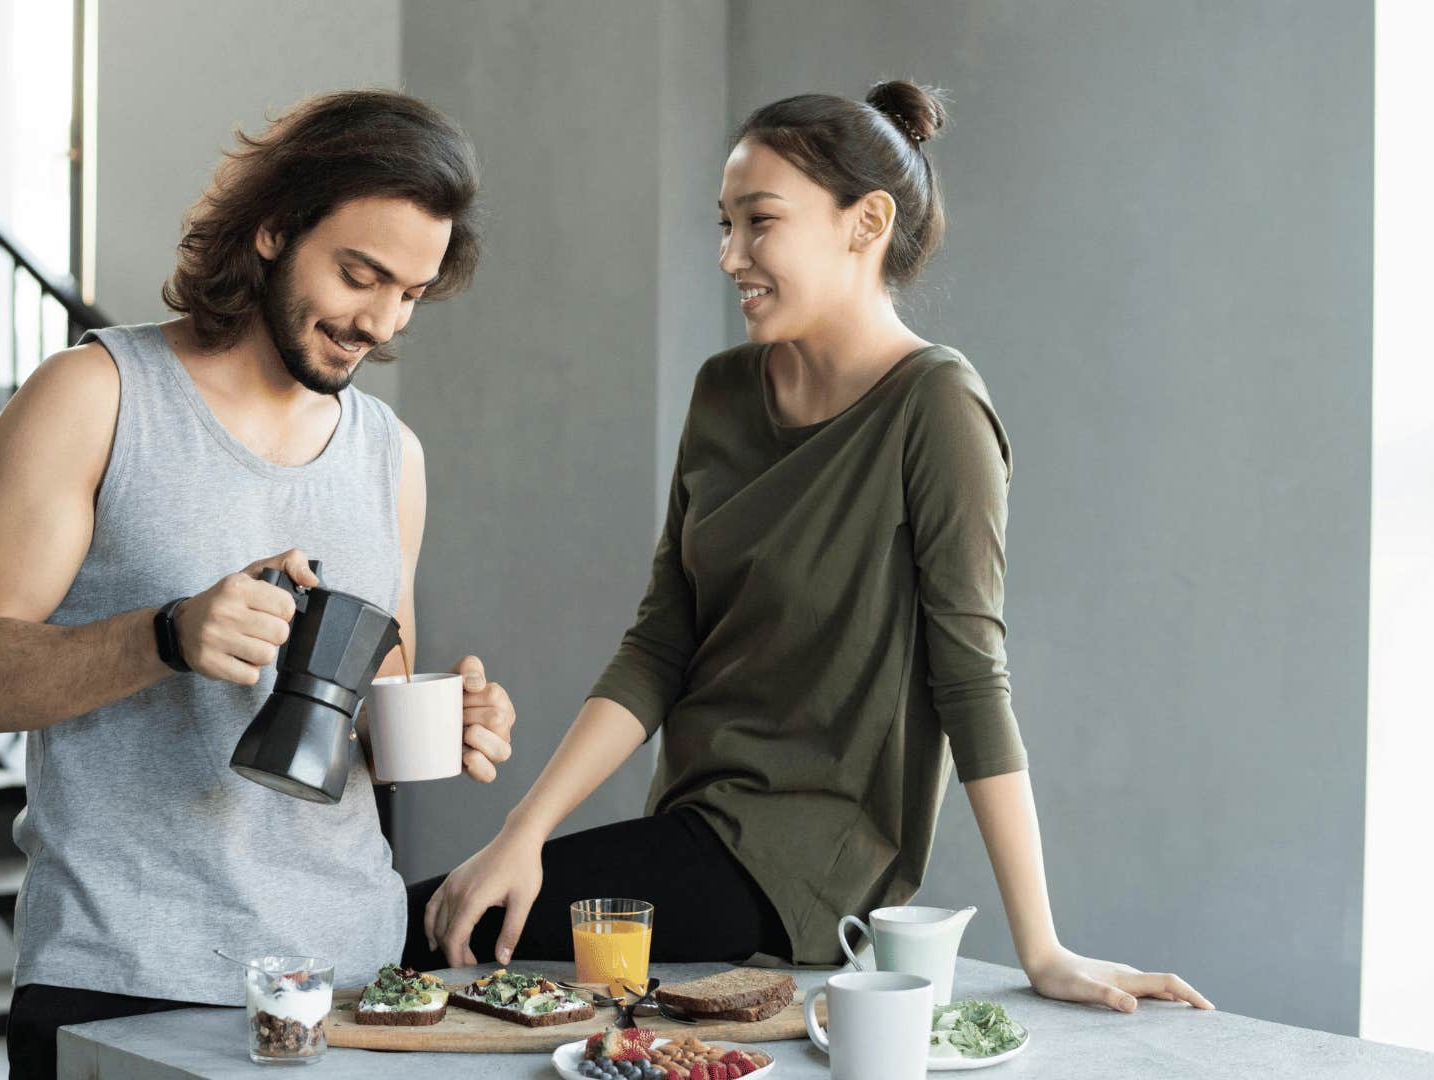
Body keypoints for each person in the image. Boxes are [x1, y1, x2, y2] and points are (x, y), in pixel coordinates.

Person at [406, 82, 1211, 1016]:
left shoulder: (936, 408)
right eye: (723, 225)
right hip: (693, 836)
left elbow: (971, 680)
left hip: (800, 878)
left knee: (422, 927)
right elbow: (659, 645)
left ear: (866, 222)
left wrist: (1042, 946)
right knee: (448, 926)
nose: (728, 255)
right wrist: (524, 833)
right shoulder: (722, 393)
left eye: (759, 223)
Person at [0, 90, 519, 1080]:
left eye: (411, 293)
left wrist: (446, 720)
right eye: (359, 275)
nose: (379, 320)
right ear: (274, 227)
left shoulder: (393, 456)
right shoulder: (95, 396)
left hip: (357, 979)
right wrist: (165, 636)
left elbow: (373, 704)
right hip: (126, 975)